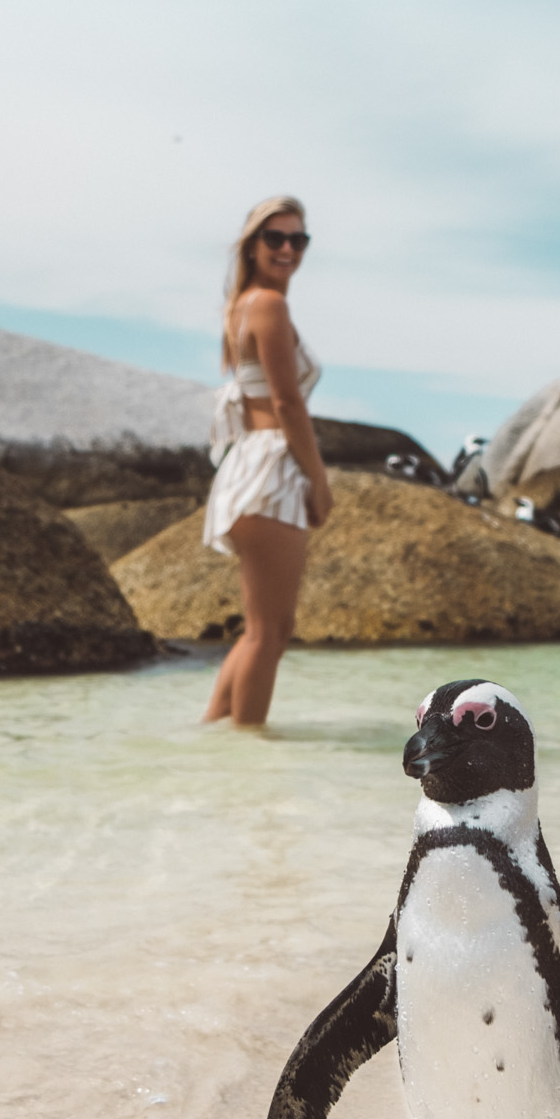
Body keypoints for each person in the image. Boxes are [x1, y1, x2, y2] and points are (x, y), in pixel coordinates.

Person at [201, 196, 334, 726]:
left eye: (297, 239)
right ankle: (251, 762)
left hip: (245, 468)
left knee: (261, 631)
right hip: (271, 468)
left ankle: (217, 744)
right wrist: (318, 481)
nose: (286, 249)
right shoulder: (270, 306)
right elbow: (286, 403)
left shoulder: (241, 306)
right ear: (252, 246)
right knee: (270, 634)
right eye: (274, 238)